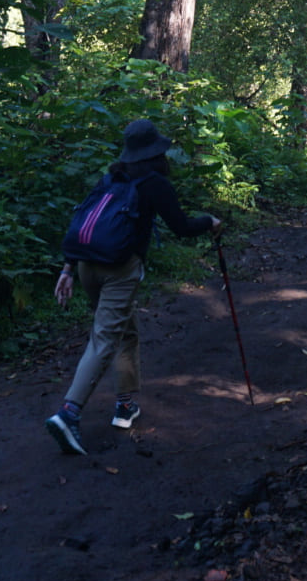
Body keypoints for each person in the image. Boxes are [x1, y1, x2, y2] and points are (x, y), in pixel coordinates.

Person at [45, 119, 223, 455]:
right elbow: (182, 227)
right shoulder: (154, 183)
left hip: (86, 267)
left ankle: (125, 405)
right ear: (156, 150)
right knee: (104, 337)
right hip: (120, 270)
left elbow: (85, 220)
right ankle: (69, 413)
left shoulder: (110, 176)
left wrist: (67, 268)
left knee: (125, 332)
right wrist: (210, 222)